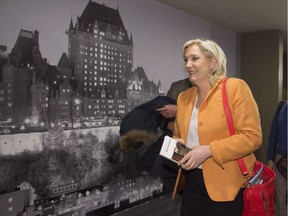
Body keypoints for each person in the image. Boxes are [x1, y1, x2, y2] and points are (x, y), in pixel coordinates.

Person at [173, 38, 262, 216]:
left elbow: (252, 137)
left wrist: (208, 150)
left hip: (227, 183)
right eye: (185, 59)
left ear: (212, 62)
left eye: (194, 58)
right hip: (191, 181)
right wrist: (177, 145)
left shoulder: (235, 87)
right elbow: (178, 134)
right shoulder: (183, 97)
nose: (188, 64)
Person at [266, 100, 287, 216]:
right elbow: (273, 133)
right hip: (281, 161)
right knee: (280, 198)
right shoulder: (282, 107)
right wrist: (270, 158)